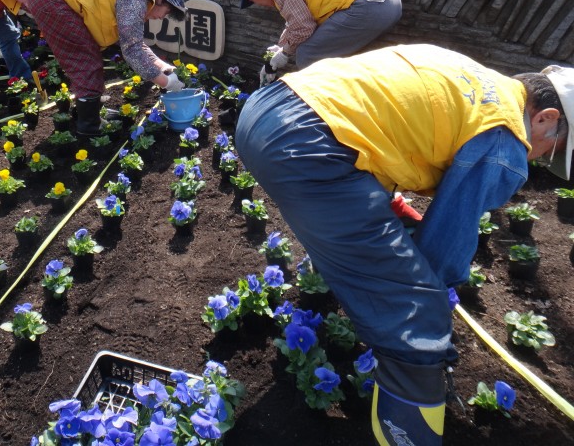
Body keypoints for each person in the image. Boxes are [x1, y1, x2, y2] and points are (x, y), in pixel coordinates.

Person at [234, 44, 574, 446]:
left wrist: (388, 212)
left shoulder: (476, 75)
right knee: (418, 311)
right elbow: (444, 249)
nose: (538, 160)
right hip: (307, 145)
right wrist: (424, 296)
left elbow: (384, 121)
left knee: (366, 241)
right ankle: (407, 435)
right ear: (546, 117)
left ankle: (339, 269)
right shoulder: (507, 144)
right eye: (551, 151)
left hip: (267, 109)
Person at [23, 0, 191, 136]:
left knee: (88, 52)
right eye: (168, 11)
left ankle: (90, 108)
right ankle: (89, 125)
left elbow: (132, 41)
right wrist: (166, 83)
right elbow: (132, 51)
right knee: (85, 58)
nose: (163, 17)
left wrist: (162, 67)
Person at [235, 0, 402, 82]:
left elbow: (303, 28)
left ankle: (324, 110)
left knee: (308, 54)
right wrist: (280, 48)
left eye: (253, 0)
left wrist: (285, 53)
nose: (259, 4)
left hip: (372, 4)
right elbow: (295, 22)